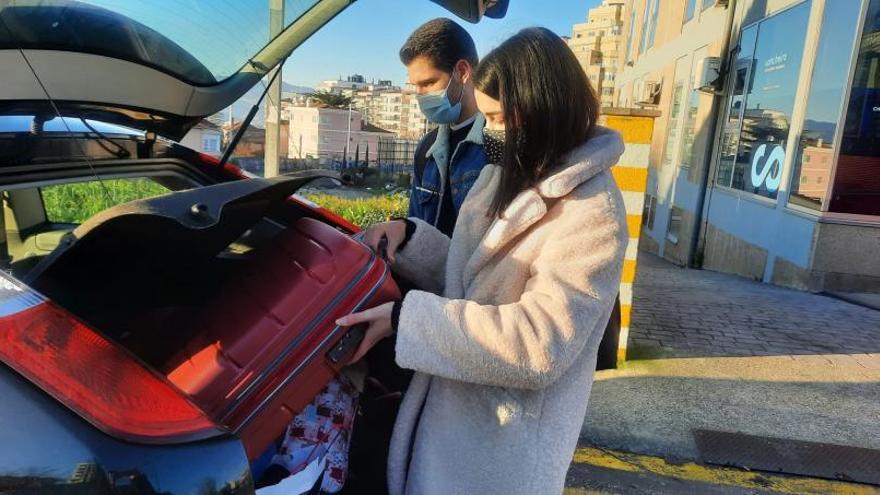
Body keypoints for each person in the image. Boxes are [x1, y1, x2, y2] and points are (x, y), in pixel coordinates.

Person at [337, 27, 629, 495]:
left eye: (496, 118)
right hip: (455, 413)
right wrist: (410, 237)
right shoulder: (508, 170)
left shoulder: (593, 215)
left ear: (537, 112)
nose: (488, 131)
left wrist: (407, 320)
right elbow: (473, 273)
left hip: (501, 446)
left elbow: (539, 345)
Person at [400, 18, 487, 236]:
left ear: (462, 71)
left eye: (428, 83)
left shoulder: (499, 143)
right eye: (415, 86)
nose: (420, 95)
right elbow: (416, 231)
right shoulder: (427, 149)